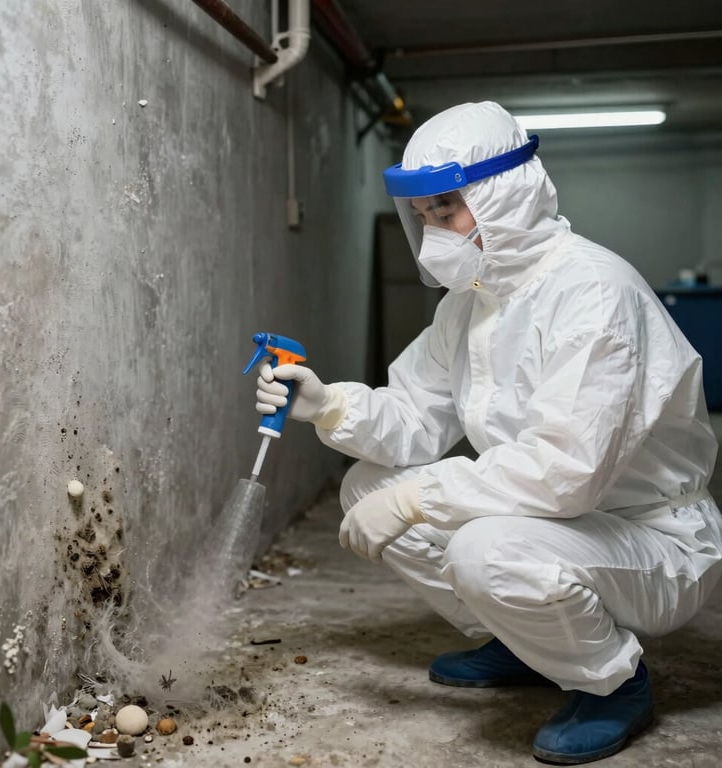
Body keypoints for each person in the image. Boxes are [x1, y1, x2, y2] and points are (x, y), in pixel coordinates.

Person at [254, 101, 722, 764]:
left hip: (651, 534)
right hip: (559, 520)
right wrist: (328, 405)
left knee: (486, 550)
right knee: (369, 486)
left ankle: (613, 681)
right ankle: (530, 639)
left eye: (447, 209)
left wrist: (422, 499)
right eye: (423, 218)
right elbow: (416, 417)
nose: (435, 232)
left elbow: (564, 471)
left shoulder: (593, 294)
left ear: (505, 194)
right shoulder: (470, 304)